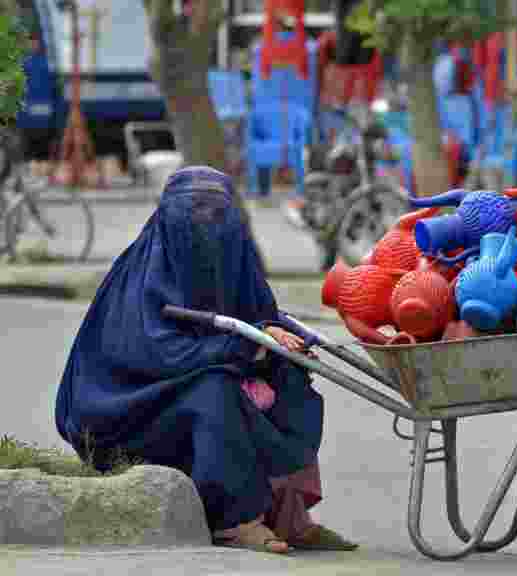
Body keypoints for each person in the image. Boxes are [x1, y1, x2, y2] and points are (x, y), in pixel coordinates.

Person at [55, 166, 357, 554]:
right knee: (214, 391)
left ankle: (289, 516)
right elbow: (159, 355)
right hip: (126, 409)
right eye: (193, 215)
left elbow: (256, 313)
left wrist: (275, 335)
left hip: (198, 381)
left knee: (290, 377)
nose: (206, 226)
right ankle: (234, 520)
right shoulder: (140, 277)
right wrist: (243, 347)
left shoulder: (236, 258)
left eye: (217, 215)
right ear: (169, 220)